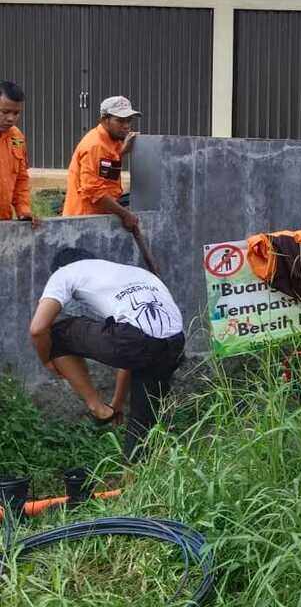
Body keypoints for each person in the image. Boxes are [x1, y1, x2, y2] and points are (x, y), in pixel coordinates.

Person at [28, 248, 186, 461]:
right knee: (142, 420)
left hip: (134, 341)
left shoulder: (64, 273)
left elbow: (38, 329)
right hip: (174, 343)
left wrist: (47, 359)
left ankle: (96, 407)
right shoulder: (129, 273)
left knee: (53, 332)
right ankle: (137, 483)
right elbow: (133, 354)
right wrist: (117, 403)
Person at [63, 96, 140, 230]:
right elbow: (94, 192)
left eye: (129, 120)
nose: (126, 126)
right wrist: (125, 214)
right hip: (83, 222)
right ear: (104, 119)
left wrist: (121, 152)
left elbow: (105, 172)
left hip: (97, 219)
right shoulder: (95, 146)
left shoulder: (113, 141)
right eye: (120, 121)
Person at [0, 81, 36, 225]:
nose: (11, 118)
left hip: (4, 223)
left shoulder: (17, 137)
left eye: (16, 113)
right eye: (4, 112)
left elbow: (21, 178)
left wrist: (23, 210)